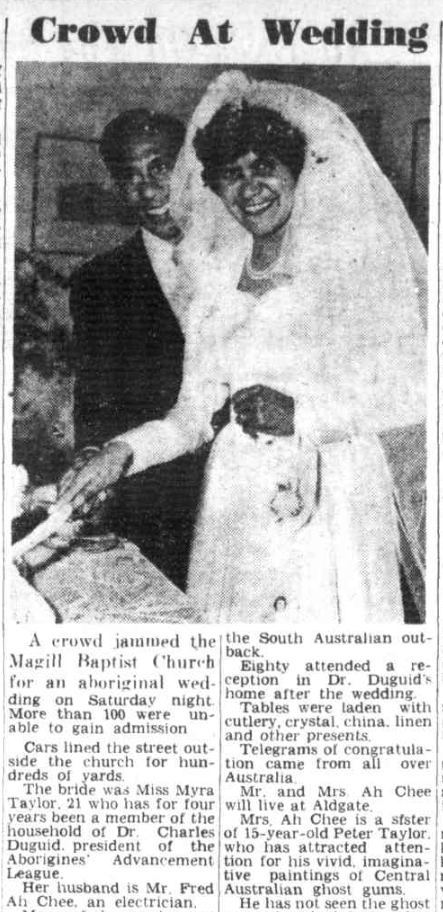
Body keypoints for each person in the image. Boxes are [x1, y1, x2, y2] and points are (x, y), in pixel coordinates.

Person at [57, 72, 427, 623]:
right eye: (231, 174)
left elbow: (416, 392)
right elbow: (191, 418)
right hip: (235, 501)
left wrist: (302, 414)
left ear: (297, 173)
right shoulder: (216, 280)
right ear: (214, 187)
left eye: (265, 168)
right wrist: (120, 453)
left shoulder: (348, 269)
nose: (249, 187)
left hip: (334, 497)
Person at [69, 109, 206, 589]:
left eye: (159, 167)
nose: (147, 189)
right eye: (128, 176)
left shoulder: (248, 257)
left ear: (190, 164)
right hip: (156, 506)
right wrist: (92, 459)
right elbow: (95, 400)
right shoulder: (97, 283)